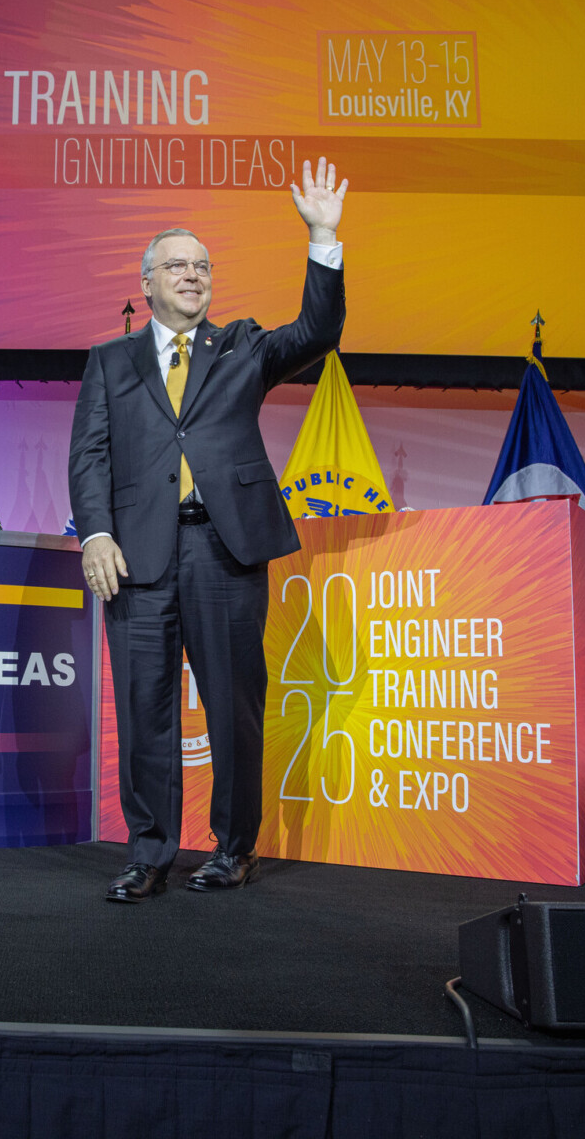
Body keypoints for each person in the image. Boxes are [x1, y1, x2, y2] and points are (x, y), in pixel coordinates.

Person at [68, 158, 348, 902]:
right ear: (147, 283)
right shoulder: (110, 361)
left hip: (225, 551)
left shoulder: (242, 346)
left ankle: (234, 848)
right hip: (137, 557)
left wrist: (323, 238)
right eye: (177, 265)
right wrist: (95, 534)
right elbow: (89, 455)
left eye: (202, 266)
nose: (192, 275)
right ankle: (149, 855)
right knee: (144, 710)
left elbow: (318, 330)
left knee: (233, 707)